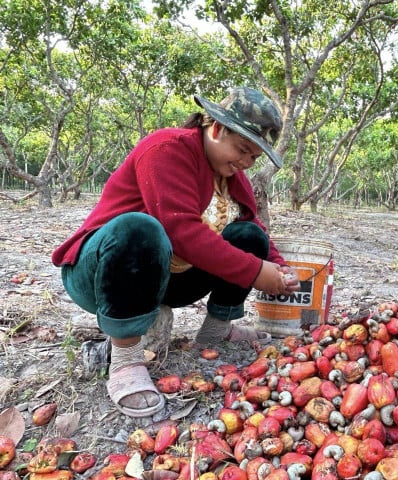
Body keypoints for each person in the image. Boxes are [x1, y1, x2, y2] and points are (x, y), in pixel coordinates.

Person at [51, 87, 300, 418]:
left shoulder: (232, 177)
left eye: (253, 158)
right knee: (141, 228)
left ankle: (217, 329)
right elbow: (180, 231)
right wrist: (257, 273)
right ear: (216, 128)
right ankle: (125, 359)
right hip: (104, 274)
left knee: (248, 235)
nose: (245, 162)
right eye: (242, 149)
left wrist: (279, 267)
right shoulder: (166, 148)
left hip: (164, 278)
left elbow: (256, 228)